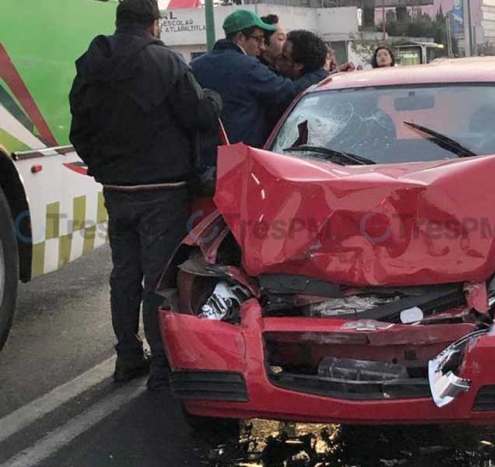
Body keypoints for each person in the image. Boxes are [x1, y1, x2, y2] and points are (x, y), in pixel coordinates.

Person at [68, 0, 222, 390]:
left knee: (123, 275)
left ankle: (127, 357)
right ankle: (161, 367)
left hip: (117, 188)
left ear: (119, 21)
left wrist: (103, 167)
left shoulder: (91, 63)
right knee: (158, 278)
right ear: (155, 24)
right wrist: (214, 101)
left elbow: (79, 130)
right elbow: (197, 115)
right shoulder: (165, 62)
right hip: (162, 189)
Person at [191, 11, 329, 156]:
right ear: (240, 38)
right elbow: (289, 92)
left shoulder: (195, 65)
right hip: (239, 158)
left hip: (201, 159)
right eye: (258, 39)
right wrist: (321, 74)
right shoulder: (248, 67)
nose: (262, 47)